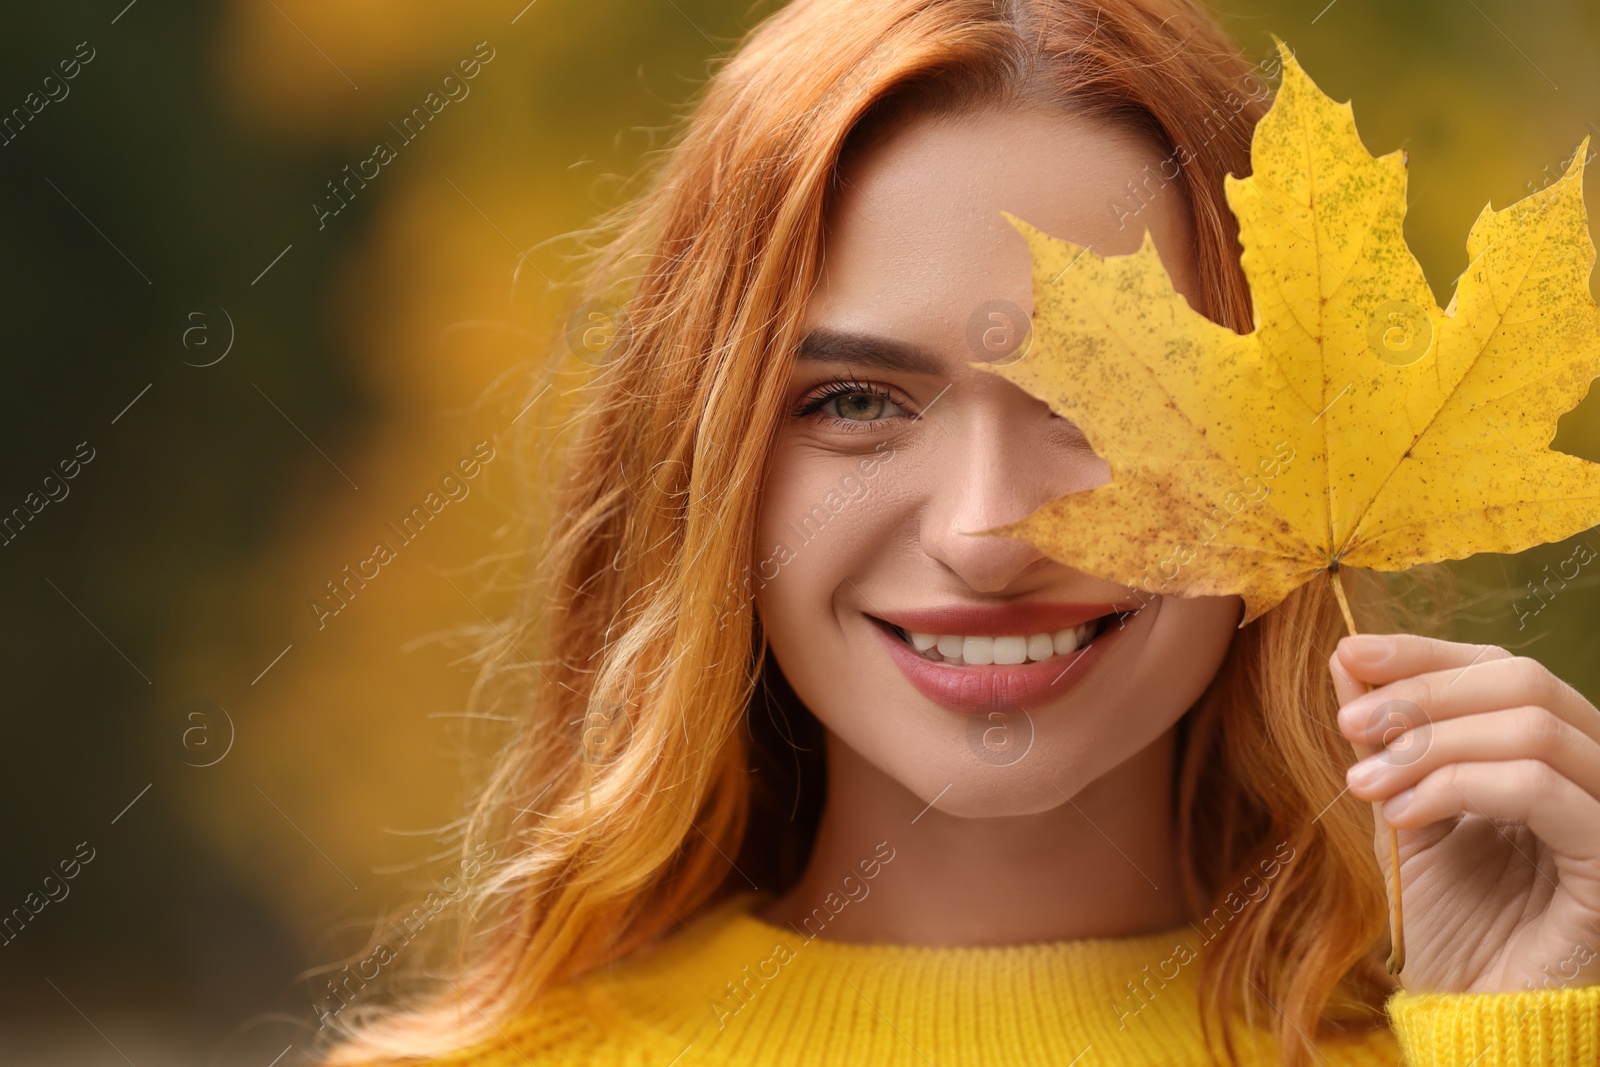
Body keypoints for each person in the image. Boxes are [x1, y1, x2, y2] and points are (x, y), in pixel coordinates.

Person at [316, 0, 1600, 1063]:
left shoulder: (1499, 1031)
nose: (987, 532)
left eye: (1100, 401)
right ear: (706, 465)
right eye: (855, 401)